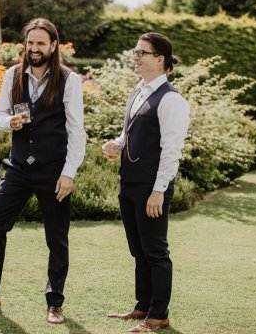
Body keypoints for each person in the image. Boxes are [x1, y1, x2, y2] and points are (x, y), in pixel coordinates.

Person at [0, 18, 86, 324]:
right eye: (30, 43)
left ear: (53, 46)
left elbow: (77, 131)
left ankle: (54, 302)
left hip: (54, 171)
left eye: (41, 43)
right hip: (18, 168)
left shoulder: (69, 80)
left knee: (56, 239)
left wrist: (69, 172)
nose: (34, 48)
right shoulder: (12, 75)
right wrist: (8, 123)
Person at [103, 33, 190, 333]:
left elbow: (171, 151)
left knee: (156, 252)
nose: (136, 57)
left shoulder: (171, 100)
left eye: (142, 52)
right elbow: (129, 134)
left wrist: (158, 191)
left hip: (151, 189)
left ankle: (159, 315)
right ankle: (142, 306)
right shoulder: (137, 92)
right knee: (138, 251)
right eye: (135, 52)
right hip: (128, 184)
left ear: (160, 59)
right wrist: (116, 144)